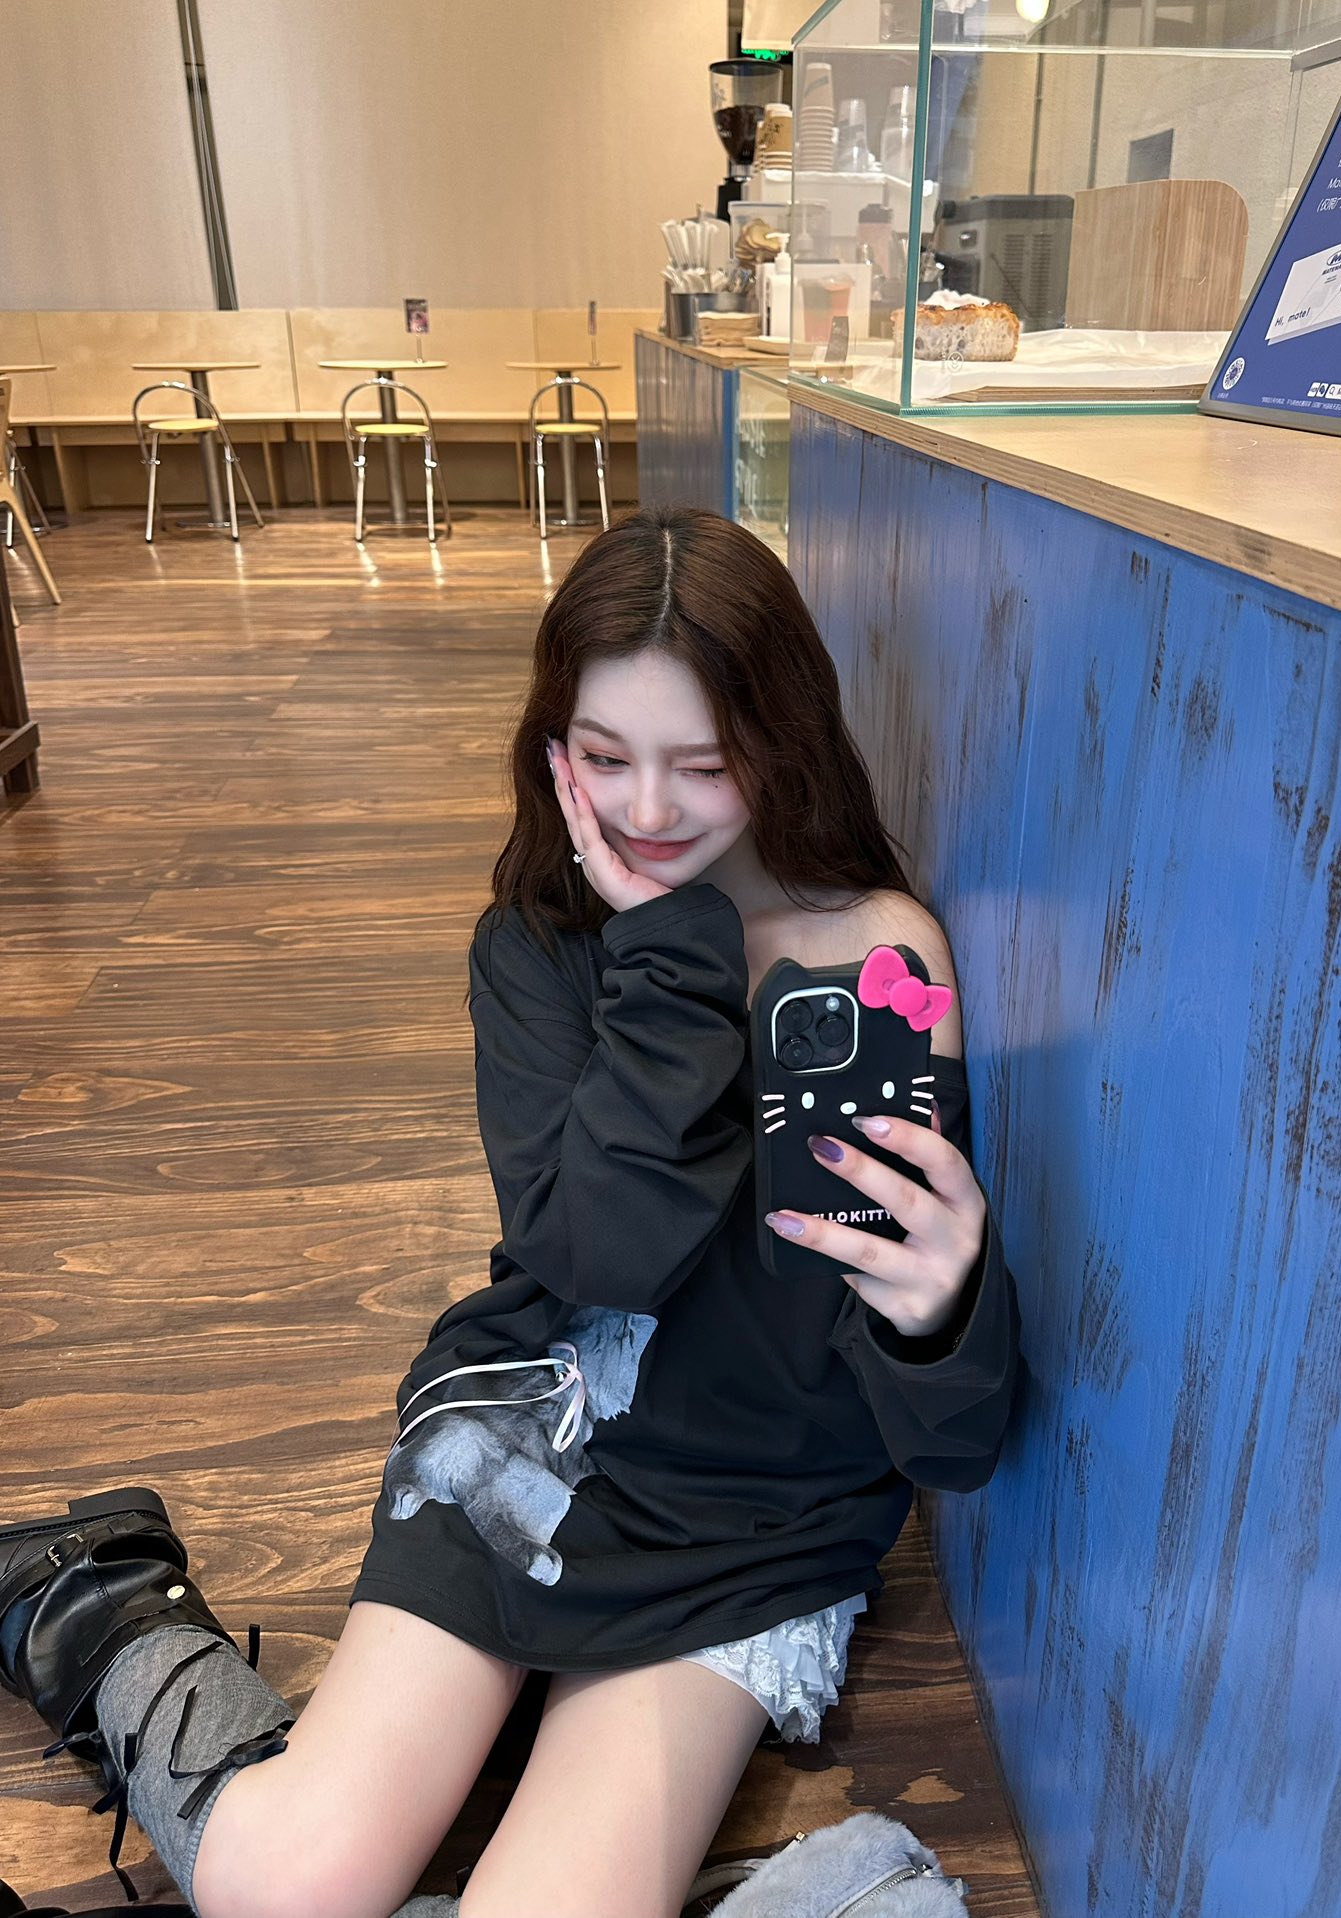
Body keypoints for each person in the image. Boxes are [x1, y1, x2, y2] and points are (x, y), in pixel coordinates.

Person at [0, 507, 1021, 1918]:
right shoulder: (539, 948)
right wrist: (667, 948)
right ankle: (101, 1598)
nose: (649, 809)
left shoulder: (881, 958)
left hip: (755, 1516)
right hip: (540, 1430)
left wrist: (940, 1313)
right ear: (553, 751)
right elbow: (600, 1252)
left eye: (703, 763)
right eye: (605, 758)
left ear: (781, 741)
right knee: (282, 1885)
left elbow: (951, 1443)